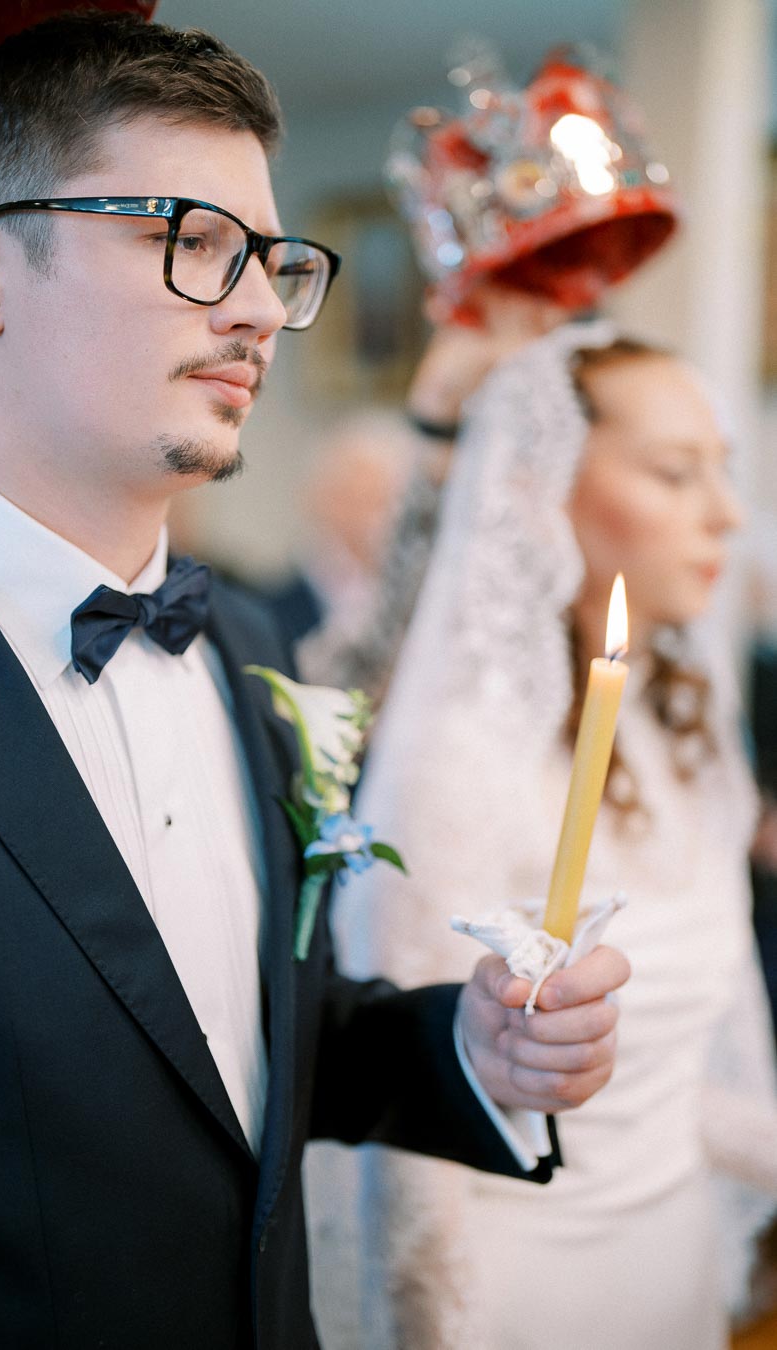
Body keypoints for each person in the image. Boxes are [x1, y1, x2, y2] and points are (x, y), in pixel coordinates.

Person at [0, 13, 633, 1347]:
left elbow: (242, 1050)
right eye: (190, 240)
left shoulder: (248, 651)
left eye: (272, 261)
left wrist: (476, 1049)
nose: (253, 310)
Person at [310, 321, 777, 1349]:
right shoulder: (459, 759)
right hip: (525, 1293)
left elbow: (685, 1076)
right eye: (673, 473)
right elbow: (408, 1157)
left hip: (672, 1265)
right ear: (535, 491)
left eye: (725, 474)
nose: (727, 516)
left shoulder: (675, 728)